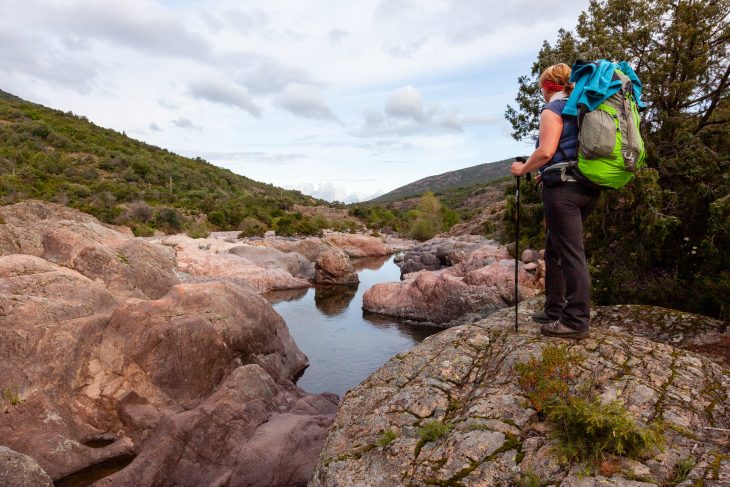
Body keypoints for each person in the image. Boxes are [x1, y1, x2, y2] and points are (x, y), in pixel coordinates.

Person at [510, 63, 600, 340]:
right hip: (588, 186)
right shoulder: (584, 107)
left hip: (564, 190)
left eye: (541, 87)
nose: (541, 92)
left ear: (549, 86)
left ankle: (575, 321)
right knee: (555, 249)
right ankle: (554, 308)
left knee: (570, 252)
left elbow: (547, 150)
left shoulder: (554, 108)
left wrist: (523, 169)